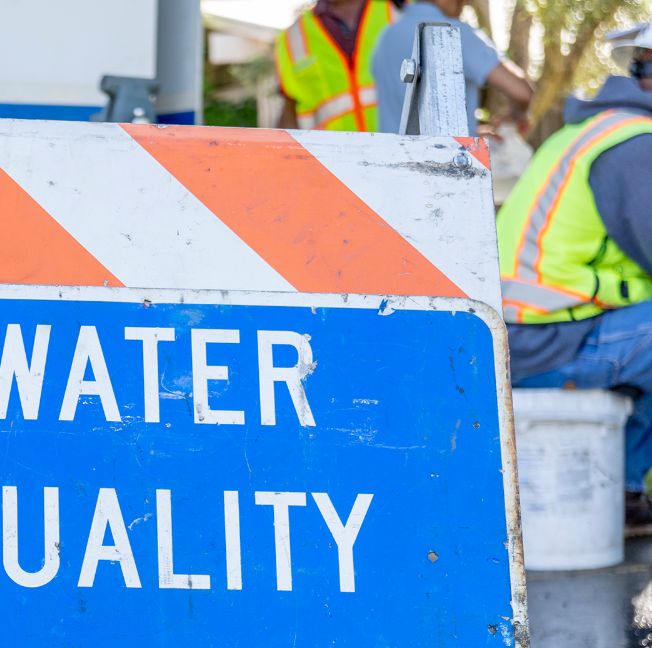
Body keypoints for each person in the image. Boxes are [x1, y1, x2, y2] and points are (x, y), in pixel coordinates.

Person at [499, 24, 652, 524]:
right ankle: (623, 490)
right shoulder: (634, 145)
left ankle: (624, 493)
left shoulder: (592, 131)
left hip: (530, 333)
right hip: (547, 340)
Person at [370, 0, 532, 134]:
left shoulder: (384, 39)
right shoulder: (453, 32)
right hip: (445, 165)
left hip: (392, 165)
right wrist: (515, 116)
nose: (466, 3)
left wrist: (473, 133)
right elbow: (522, 92)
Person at [276, 0, 403, 131]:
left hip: (404, 147)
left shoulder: (400, 10)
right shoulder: (292, 38)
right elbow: (289, 113)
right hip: (330, 150)